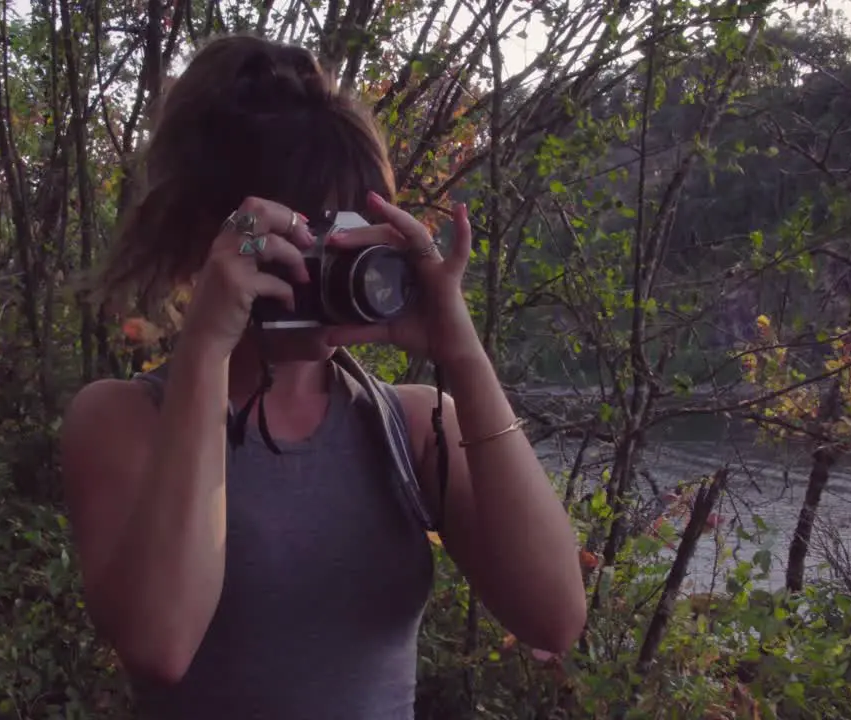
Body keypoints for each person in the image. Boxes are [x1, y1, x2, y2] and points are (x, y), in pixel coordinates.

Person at [60, 33, 586, 720]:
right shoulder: (124, 421)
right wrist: (208, 348)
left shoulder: (409, 427)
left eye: (347, 231)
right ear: (210, 239)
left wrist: (463, 353)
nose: (322, 262)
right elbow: (160, 644)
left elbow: (554, 617)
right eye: (297, 236)